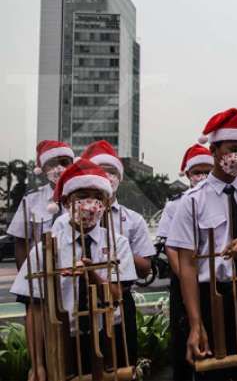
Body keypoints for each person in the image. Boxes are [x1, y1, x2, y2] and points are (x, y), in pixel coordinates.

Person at [166, 108, 237, 380]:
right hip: (210, 295)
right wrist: (195, 323)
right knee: (211, 373)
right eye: (233, 148)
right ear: (215, 150)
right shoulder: (192, 202)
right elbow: (188, 267)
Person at [11, 159, 136, 381]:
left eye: (98, 197)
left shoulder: (118, 245)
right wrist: (37, 364)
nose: (90, 204)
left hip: (107, 338)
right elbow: (35, 310)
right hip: (62, 340)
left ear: (106, 203)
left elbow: (116, 296)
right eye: (82, 196)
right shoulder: (46, 250)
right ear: (67, 201)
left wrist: (93, 275)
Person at [80, 140, 154, 366]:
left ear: (119, 178)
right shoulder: (69, 219)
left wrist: (120, 252)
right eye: (100, 171)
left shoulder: (132, 220)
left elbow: (145, 270)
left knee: (121, 363)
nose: (106, 177)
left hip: (119, 298)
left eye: (111, 172)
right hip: (79, 301)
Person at [156, 144, 213, 381]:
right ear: (188, 175)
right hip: (184, 281)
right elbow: (170, 245)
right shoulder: (175, 204)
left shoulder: (220, 198)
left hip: (213, 281)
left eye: (207, 171)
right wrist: (186, 277)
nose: (202, 177)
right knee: (183, 339)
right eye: (197, 172)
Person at [8, 140, 74, 268]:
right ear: (42, 169)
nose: (59, 168)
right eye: (52, 164)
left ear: (72, 165)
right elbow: (21, 242)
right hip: (41, 272)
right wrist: (25, 279)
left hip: (74, 272)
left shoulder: (82, 196)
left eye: (64, 162)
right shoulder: (31, 199)